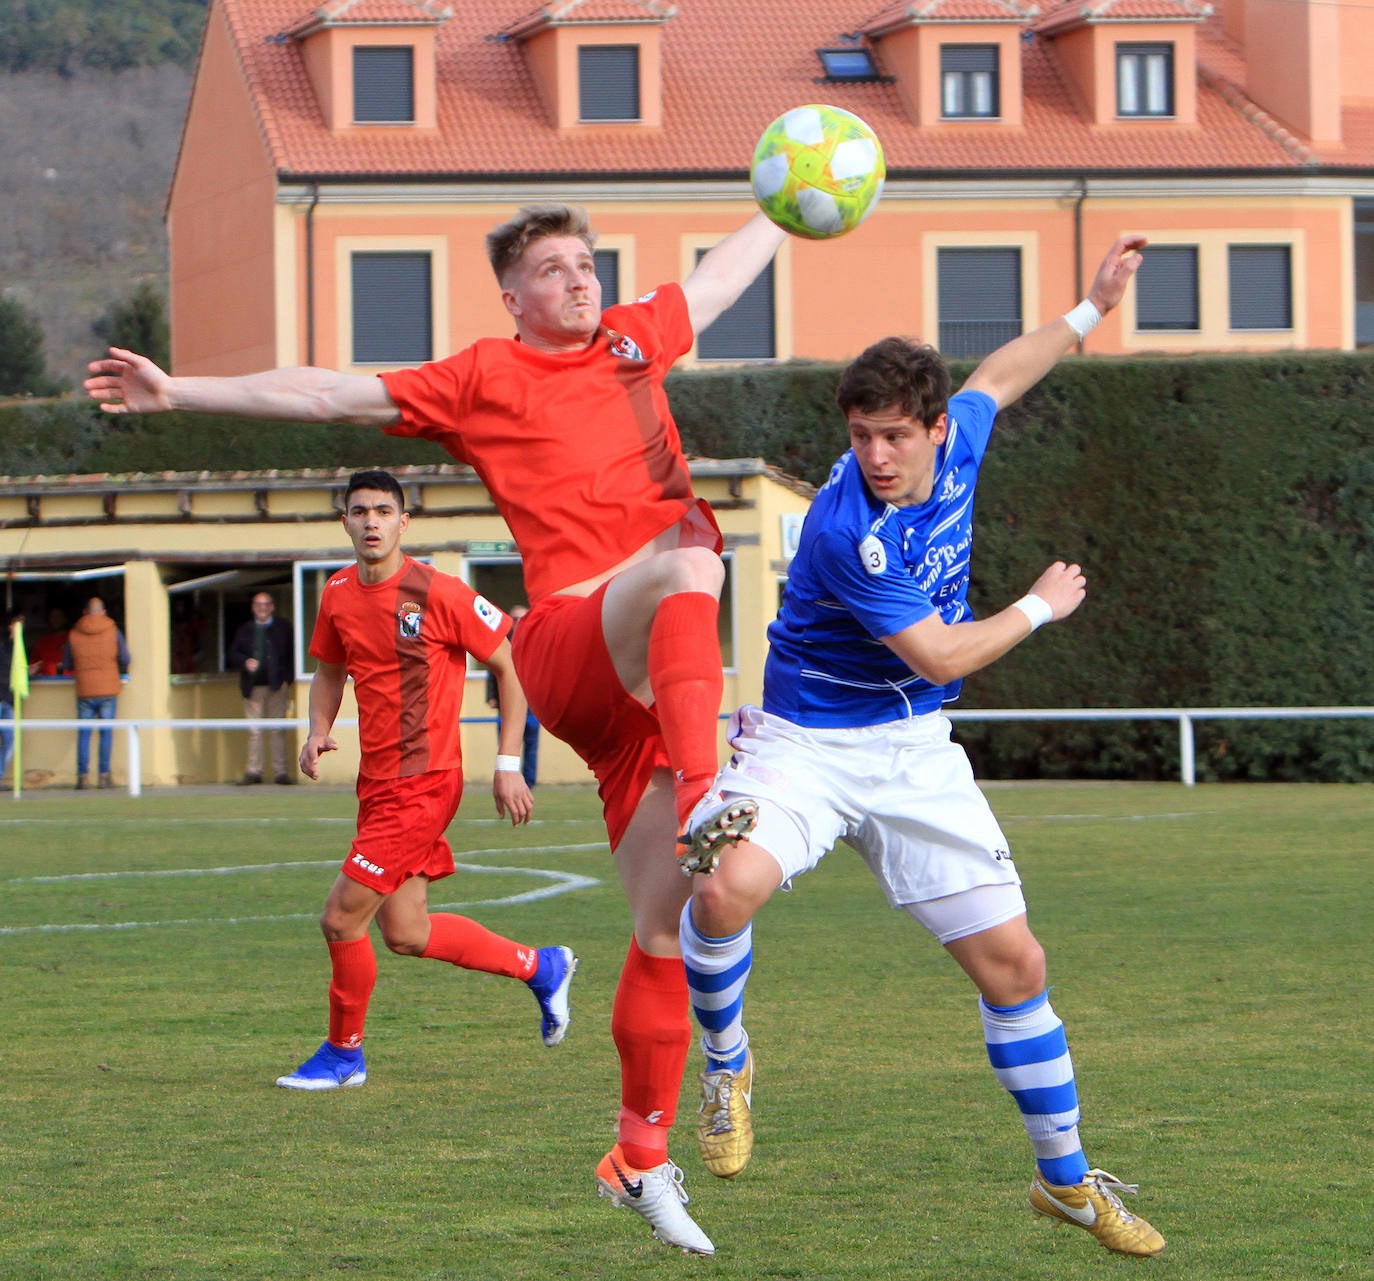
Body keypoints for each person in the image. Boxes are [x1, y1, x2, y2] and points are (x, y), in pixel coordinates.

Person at [84, 202, 785, 1255]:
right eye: (552, 272)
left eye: (587, 266)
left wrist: (782, 204)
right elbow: (324, 392)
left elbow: (724, 280)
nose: (579, 283)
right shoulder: (482, 377)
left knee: (670, 928)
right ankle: (708, 792)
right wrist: (178, 390)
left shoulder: (641, 337)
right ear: (513, 300)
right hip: (570, 639)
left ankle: (637, 1157)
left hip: (648, 698)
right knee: (690, 557)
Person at [676, 236, 1168, 1258]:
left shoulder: (965, 431)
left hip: (912, 753)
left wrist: (1089, 309)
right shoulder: (845, 529)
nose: (875, 457)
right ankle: (726, 1062)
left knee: (1015, 965)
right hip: (804, 744)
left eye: (895, 436)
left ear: (937, 429)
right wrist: (1040, 604)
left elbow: (1002, 372)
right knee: (722, 889)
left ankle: (1067, 1183)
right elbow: (940, 650)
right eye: (860, 436)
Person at [277, 469, 577, 1091]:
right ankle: (541, 967)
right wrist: (316, 729)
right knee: (407, 932)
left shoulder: (438, 592)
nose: (371, 522)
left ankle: (343, 1055)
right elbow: (330, 669)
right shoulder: (335, 592)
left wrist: (506, 764)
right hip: (377, 783)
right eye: (359, 511)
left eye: (383, 511)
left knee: (340, 918)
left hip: (425, 784)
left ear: (403, 522)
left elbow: (510, 663)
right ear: (345, 521)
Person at [62, 597, 131, 789]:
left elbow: (67, 663)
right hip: (108, 689)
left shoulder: (74, 633)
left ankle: (83, 777)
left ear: (85, 613)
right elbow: (125, 658)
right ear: (103, 612)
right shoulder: (113, 631)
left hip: (84, 690)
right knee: (105, 733)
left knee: (84, 734)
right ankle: (103, 776)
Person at [228, 591, 295, 784]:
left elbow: (293, 654)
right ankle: (254, 772)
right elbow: (233, 654)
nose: (262, 608)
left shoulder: (283, 628)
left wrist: (287, 679)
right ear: (253, 608)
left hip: (277, 686)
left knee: (277, 729)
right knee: (254, 730)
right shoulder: (245, 630)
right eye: (258, 605)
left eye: (266, 604)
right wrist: (245, 661)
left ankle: (280, 772)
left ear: (272, 607)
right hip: (253, 688)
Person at [484, 604, 539, 788]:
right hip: (506, 707)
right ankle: (506, 779)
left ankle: (528, 784)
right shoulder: (501, 643)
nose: (517, 623)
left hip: (532, 707)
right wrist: (491, 696)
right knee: (506, 745)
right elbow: (493, 672)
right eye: (514, 619)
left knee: (531, 747)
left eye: (521, 619)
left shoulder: (535, 643)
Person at [0, 612, 21, 787]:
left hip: (9, 699)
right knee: (9, 741)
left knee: (10, 741)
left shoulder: (17, 646)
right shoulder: (6, 645)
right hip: (5, 698)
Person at [31, 607, 69, 677]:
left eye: (58, 616)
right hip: (45, 683)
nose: (55, 619)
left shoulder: (72, 639)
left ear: (64, 619)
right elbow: (34, 665)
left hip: (70, 683)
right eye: (53, 617)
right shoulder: (42, 641)